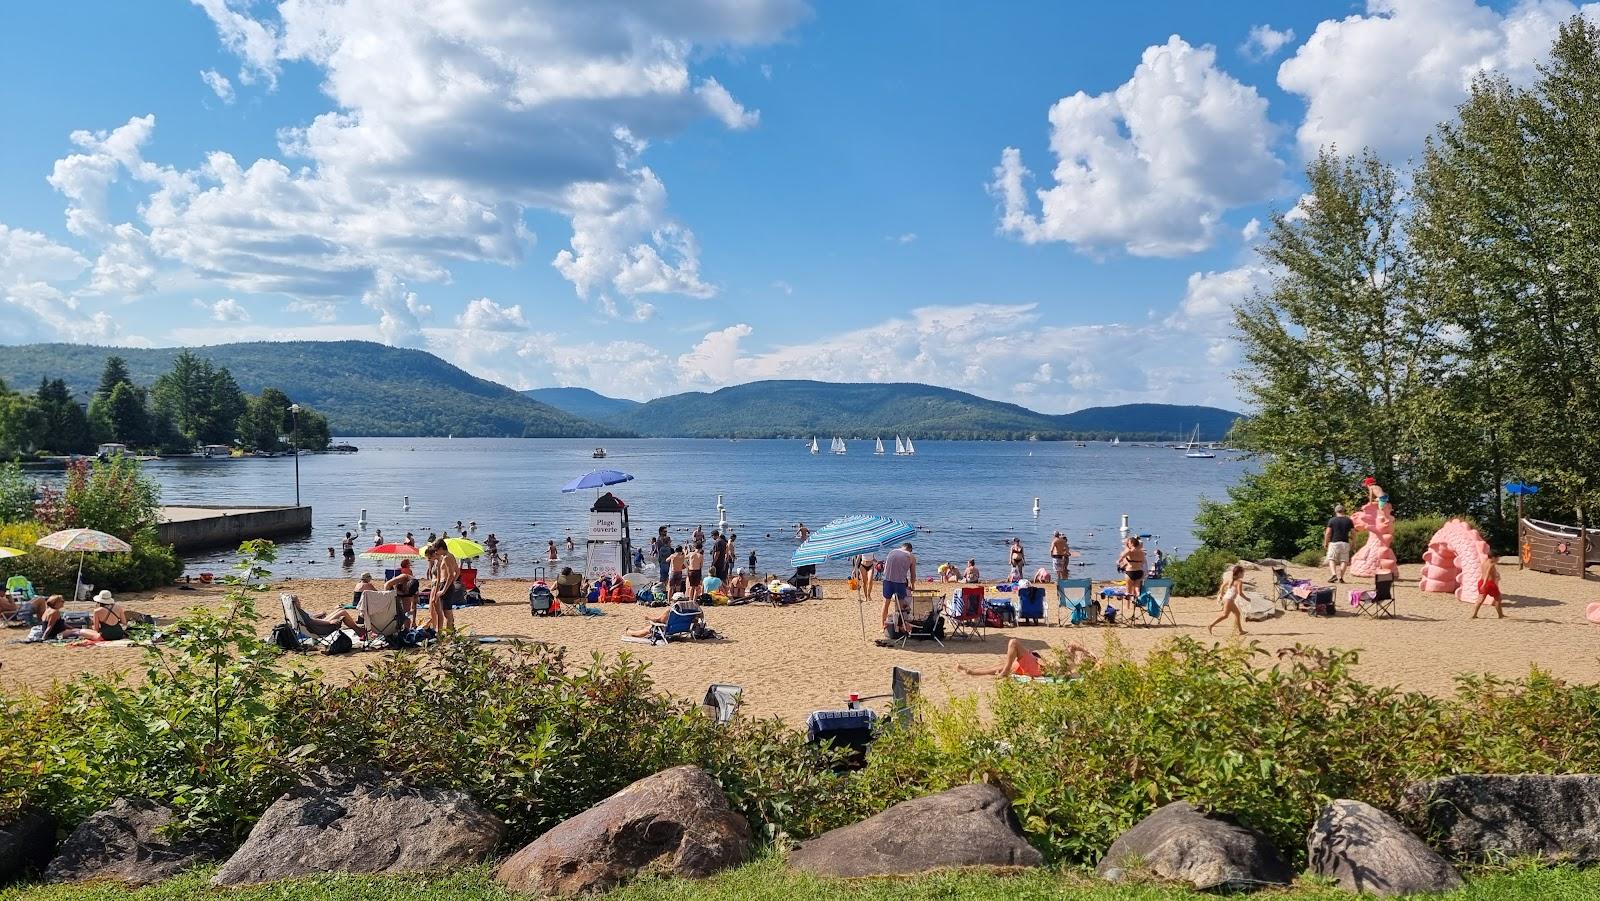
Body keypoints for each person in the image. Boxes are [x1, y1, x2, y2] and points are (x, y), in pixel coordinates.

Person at [959, 641, 1095, 680]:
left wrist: (1090, 657)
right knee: (1003, 666)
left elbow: (1072, 646)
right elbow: (1072, 645)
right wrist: (1088, 651)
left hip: (1038, 668)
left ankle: (1005, 672)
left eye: (1084, 658)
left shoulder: (1071, 667)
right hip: (1036, 664)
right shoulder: (1070, 661)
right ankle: (973, 672)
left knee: (1013, 644)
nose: (1082, 656)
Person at [625, 592, 701, 638]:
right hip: (685, 628)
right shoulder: (690, 611)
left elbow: (659, 620)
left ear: (674, 601)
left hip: (669, 630)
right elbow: (697, 620)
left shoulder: (671, 611)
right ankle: (632, 632)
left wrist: (648, 618)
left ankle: (630, 632)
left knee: (648, 628)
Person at [880, 542, 917, 635]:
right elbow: (913, 574)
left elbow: (885, 568)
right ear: (910, 550)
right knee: (900, 607)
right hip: (900, 582)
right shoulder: (911, 556)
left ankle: (882, 626)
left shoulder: (892, 552)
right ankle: (900, 626)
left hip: (887, 581)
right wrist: (912, 585)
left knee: (885, 604)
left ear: (902, 547)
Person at [426, 539, 460, 632]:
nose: (436, 552)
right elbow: (457, 572)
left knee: (447, 612)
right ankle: (450, 631)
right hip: (445, 584)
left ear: (441, 548)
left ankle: (450, 633)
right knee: (446, 612)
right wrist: (452, 583)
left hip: (445, 585)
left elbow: (451, 575)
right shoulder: (450, 556)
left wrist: (444, 590)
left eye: (437, 550)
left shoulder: (446, 557)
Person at [1208, 564, 1249, 636]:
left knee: (1236, 614)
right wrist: (1248, 599)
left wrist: (1221, 593)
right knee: (1225, 615)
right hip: (1229, 600)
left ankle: (1240, 631)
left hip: (1226, 599)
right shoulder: (1239, 582)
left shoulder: (1230, 580)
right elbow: (1240, 593)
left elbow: (1222, 586)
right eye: (1243, 573)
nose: (1243, 574)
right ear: (1239, 573)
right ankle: (1211, 625)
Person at [1324, 503, 1356, 583]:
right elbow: (1353, 533)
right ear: (1343, 511)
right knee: (1344, 560)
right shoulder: (1349, 520)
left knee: (1331, 559)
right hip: (1345, 542)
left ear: (1335, 511)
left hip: (1334, 542)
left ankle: (1334, 575)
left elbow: (1328, 533)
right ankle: (1341, 578)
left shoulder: (1332, 520)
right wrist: (1354, 542)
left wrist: (1326, 542)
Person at [1472, 552, 1505, 619]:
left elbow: (1484, 573)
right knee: (1498, 599)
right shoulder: (1491, 564)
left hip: (1481, 582)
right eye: (1497, 558)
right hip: (1489, 584)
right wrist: (1484, 584)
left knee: (1480, 599)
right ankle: (1500, 615)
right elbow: (1487, 574)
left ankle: (1474, 614)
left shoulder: (1484, 562)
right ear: (1493, 557)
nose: (1498, 559)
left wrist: (1483, 584)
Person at [1118, 536, 1147, 602]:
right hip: (1139, 571)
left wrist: (1126, 547)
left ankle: (1128, 606)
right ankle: (1138, 599)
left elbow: (1121, 557)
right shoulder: (1142, 552)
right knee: (1137, 588)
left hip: (1130, 571)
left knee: (1128, 591)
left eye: (1129, 543)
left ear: (1132, 543)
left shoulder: (1129, 551)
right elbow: (1143, 562)